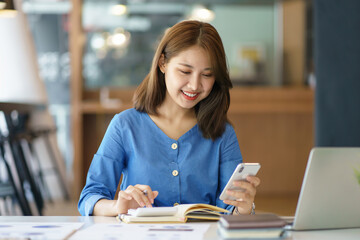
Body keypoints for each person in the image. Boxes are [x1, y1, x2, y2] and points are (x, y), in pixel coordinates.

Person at [78, 20, 260, 216]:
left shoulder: (223, 133)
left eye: (207, 74)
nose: (194, 85)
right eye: (185, 71)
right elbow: (90, 197)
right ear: (162, 63)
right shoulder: (125, 126)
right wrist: (117, 206)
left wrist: (244, 209)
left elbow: (228, 210)